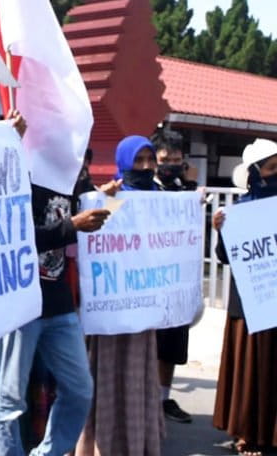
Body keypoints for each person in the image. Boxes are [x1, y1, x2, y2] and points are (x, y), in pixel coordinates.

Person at [0, 183, 110, 455]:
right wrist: (71, 226)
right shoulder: (18, 174)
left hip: (59, 304)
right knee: (10, 399)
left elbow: (91, 206)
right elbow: (12, 236)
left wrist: (107, 197)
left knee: (80, 390)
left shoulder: (71, 177)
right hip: (20, 305)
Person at [75, 135, 163, 456]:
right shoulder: (112, 197)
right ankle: (100, 444)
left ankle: (137, 440)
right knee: (106, 375)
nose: (145, 167)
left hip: (145, 306)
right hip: (111, 310)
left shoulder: (163, 199)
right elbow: (94, 239)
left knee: (138, 374)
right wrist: (103, 200)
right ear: (123, 162)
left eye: (149, 160)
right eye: (137, 160)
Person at [212, 138, 277, 456]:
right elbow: (224, 257)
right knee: (251, 371)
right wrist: (220, 230)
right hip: (249, 304)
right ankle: (247, 434)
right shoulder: (238, 211)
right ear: (255, 173)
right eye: (272, 168)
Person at [150, 130, 197, 424]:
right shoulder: (145, 190)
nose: (171, 165)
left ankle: (163, 399)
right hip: (149, 280)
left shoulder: (185, 189)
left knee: (172, 346)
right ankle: (146, 400)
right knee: (150, 344)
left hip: (178, 280)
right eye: (165, 160)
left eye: (176, 160)